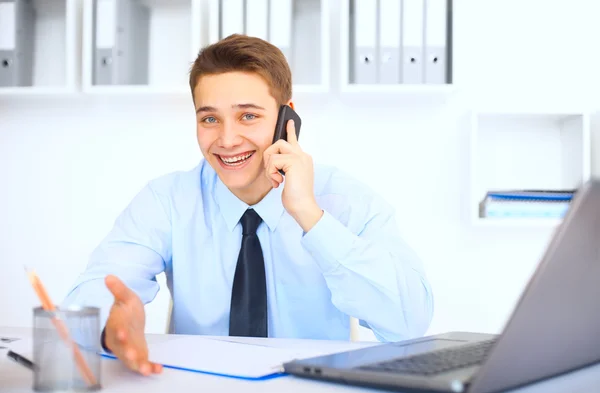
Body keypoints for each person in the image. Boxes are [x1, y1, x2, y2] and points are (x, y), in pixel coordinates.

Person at [62, 34, 434, 376]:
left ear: (287, 118)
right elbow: (93, 292)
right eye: (210, 118)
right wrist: (111, 324)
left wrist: (311, 216)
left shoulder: (345, 199)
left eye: (248, 116)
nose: (226, 139)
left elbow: (409, 320)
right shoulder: (168, 200)